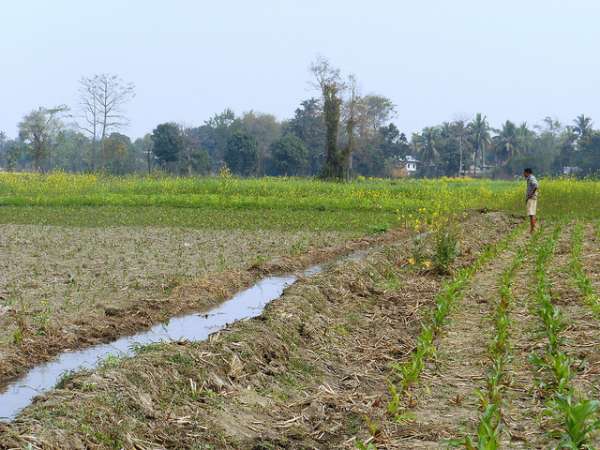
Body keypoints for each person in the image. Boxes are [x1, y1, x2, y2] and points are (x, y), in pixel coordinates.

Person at [523, 168, 538, 233]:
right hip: (531, 198)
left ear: (527, 172)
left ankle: (532, 230)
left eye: (524, 173)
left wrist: (530, 195)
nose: (523, 174)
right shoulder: (530, 178)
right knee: (532, 214)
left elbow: (536, 186)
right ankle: (533, 228)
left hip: (531, 198)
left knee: (531, 214)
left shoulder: (531, 178)